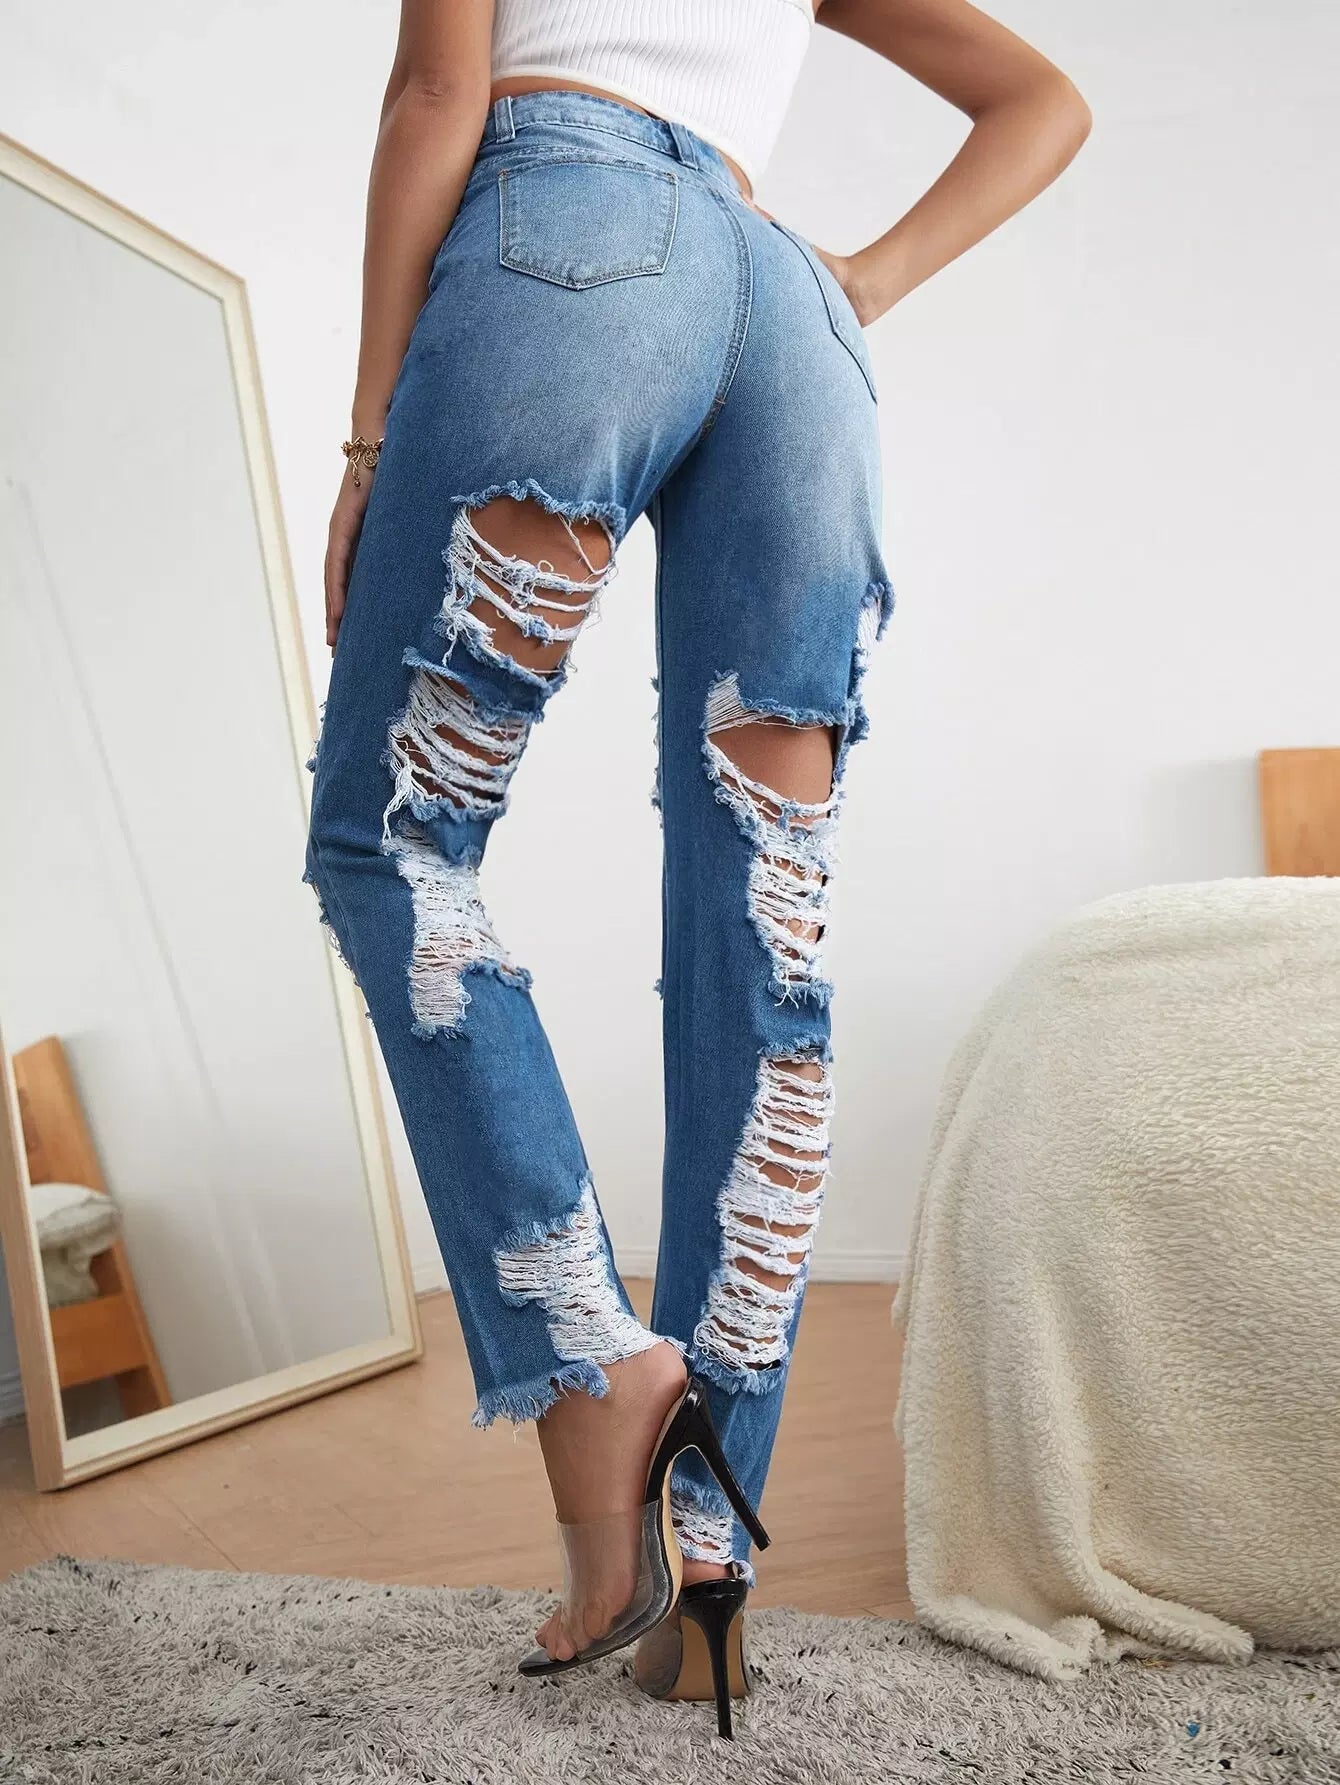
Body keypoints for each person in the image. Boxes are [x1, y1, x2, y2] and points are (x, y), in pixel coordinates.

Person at [305, 0, 1089, 1738]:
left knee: (394, 837)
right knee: (765, 944)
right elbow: (1042, 102)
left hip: (572, 230)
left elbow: (436, 89)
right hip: (788, 318)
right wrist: (854, 280)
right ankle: (679, 1560)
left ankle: (599, 1368)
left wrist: (367, 443)